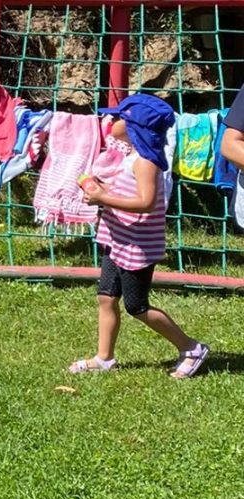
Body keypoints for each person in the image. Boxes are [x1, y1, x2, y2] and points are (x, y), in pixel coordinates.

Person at [70, 93, 208, 377]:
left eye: (119, 117)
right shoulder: (130, 155)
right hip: (117, 238)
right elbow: (125, 192)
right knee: (106, 297)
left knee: (137, 306)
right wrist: (101, 190)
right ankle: (104, 358)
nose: (112, 120)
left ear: (136, 127)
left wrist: (103, 200)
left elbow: (146, 201)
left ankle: (192, 348)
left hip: (137, 246)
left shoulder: (146, 161)